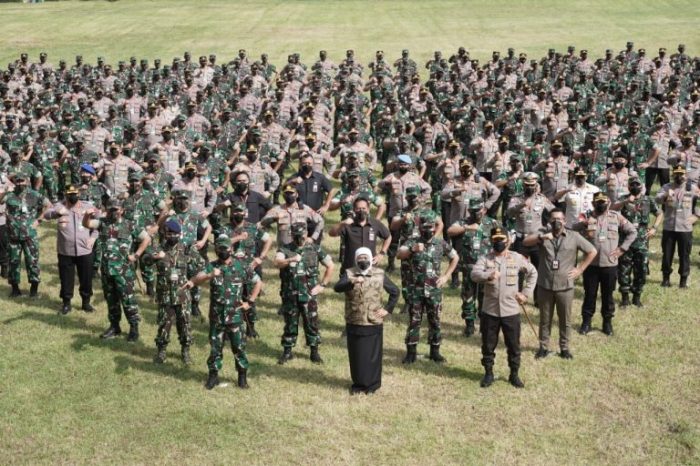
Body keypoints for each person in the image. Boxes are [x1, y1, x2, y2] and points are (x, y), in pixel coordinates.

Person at [186, 234, 262, 390]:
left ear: (231, 248)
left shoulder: (241, 266)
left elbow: (258, 282)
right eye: (219, 248)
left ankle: (242, 377)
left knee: (239, 347)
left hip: (235, 316)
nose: (222, 251)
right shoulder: (212, 266)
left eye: (225, 248)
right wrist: (209, 275)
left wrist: (250, 302)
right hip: (217, 316)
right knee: (215, 348)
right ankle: (213, 377)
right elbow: (195, 279)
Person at [523, 208, 597, 359]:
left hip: (565, 286)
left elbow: (592, 251)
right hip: (545, 285)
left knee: (565, 320)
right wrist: (542, 238)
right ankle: (543, 347)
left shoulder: (574, 236)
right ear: (549, 221)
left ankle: (564, 348)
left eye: (560, 219)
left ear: (564, 221)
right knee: (545, 319)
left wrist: (580, 269)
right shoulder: (543, 234)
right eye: (553, 219)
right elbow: (525, 241)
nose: (557, 221)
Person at [471, 227, 537, 388]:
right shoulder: (485, 259)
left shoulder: (517, 258)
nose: (498, 243)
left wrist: (526, 294)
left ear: (508, 241)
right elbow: (474, 274)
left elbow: (533, 272)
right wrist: (488, 275)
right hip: (490, 310)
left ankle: (514, 374)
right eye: (495, 240)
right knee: (488, 345)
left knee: (513, 345)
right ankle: (488, 373)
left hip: (511, 310)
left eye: (501, 240)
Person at [83, 199, 151, 341]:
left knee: (128, 299)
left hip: (124, 271)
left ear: (122, 210)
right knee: (111, 300)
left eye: (117, 209)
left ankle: (134, 328)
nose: (114, 212)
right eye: (111, 209)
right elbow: (87, 224)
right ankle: (115, 327)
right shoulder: (103, 222)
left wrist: (136, 254)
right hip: (107, 270)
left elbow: (146, 239)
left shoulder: (130, 225)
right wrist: (87, 215)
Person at [397, 211, 459, 364]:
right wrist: (412, 250)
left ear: (434, 227)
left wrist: (446, 276)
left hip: (434, 290)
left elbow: (455, 257)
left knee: (435, 321)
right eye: (424, 227)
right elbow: (399, 254)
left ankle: (435, 352)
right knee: (414, 321)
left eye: (431, 227)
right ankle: (411, 352)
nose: (428, 231)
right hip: (416, 290)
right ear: (420, 227)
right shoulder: (413, 241)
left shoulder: (440, 243)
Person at [334, 248, 398, 395]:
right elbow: (337, 288)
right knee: (356, 355)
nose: (363, 260)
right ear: (356, 259)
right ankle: (358, 384)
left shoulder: (379, 274)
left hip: (373, 321)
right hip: (354, 320)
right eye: (360, 258)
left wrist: (388, 309)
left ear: (370, 258)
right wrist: (353, 281)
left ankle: (372, 385)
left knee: (373, 355)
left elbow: (395, 291)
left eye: (365, 257)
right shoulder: (349, 273)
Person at [573, 192, 637, 336]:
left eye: (604, 201)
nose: (601, 204)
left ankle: (607, 322)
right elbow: (572, 227)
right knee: (589, 294)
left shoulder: (616, 217)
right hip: (591, 265)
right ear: (593, 203)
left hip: (610, 264)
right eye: (598, 202)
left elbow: (632, 231)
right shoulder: (586, 216)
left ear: (608, 203)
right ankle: (586, 322)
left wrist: (622, 248)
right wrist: (583, 223)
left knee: (608, 295)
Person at [145, 220, 206, 365]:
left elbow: (203, 266)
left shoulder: (186, 249)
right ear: (165, 234)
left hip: (182, 295)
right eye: (169, 233)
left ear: (180, 234)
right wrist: (155, 257)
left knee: (185, 324)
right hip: (165, 295)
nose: (172, 236)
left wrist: (192, 281)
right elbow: (145, 261)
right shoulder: (158, 248)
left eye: (175, 234)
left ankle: (185, 351)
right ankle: (161, 351)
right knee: (164, 324)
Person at [274, 222, 334, 365]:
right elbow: (277, 262)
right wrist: (290, 260)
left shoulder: (315, 249)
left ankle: (314, 352)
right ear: (292, 235)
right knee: (290, 323)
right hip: (290, 294)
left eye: (302, 235)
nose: (300, 238)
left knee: (311, 322)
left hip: (308, 295)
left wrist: (322, 285)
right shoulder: (285, 249)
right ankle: (287, 352)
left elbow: (330, 265)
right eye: (297, 235)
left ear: (306, 233)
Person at [447, 198, 501, 337]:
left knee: (485, 298)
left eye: (479, 210)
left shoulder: (492, 223)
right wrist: (467, 228)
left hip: (486, 268)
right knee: (468, 297)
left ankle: (484, 325)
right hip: (469, 267)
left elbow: (502, 240)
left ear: (484, 209)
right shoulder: (464, 222)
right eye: (473, 210)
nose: (477, 213)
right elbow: (450, 231)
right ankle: (469, 325)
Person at [42, 185, 97, 314]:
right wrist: (56, 213)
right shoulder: (59, 206)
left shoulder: (87, 207)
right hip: (65, 251)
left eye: (75, 194)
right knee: (66, 278)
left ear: (79, 194)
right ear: (66, 195)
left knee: (86, 278)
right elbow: (46, 215)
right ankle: (66, 303)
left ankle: (86, 302)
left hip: (85, 250)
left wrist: (93, 238)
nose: (73, 197)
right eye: (70, 194)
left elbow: (98, 225)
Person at [613, 176, 662, 306]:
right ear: (628, 187)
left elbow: (659, 213)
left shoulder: (648, 200)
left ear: (641, 186)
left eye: (637, 184)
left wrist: (654, 228)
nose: (635, 187)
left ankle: (637, 296)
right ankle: (625, 298)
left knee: (641, 269)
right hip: (625, 241)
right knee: (624, 269)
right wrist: (625, 202)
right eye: (632, 185)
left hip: (642, 241)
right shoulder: (623, 198)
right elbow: (612, 209)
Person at [0, 172, 50, 297]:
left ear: (27, 181)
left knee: (32, 261)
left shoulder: (34, 195)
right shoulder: (10, 195)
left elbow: (48, 205)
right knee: (13, 261)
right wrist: (6, 189)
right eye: (18, 181)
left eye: (22, 181)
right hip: (13, 235)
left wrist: (39, 220)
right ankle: (15, 289)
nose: (20, 183)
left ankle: (34, 290)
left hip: (29, 234)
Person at [655, 165, 699, 288]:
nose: (679, 176)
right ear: (673, 175)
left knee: (684, 254)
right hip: (669, 226)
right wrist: (665, 196)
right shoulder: (666, 187)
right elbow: (657, 199)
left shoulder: (692, 188)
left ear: (686, 175)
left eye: (682, 174)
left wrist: (696, 216)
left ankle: (683, 280)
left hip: (685, 228)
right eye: (677, 174)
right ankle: (666, 278)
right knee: (667, 254)